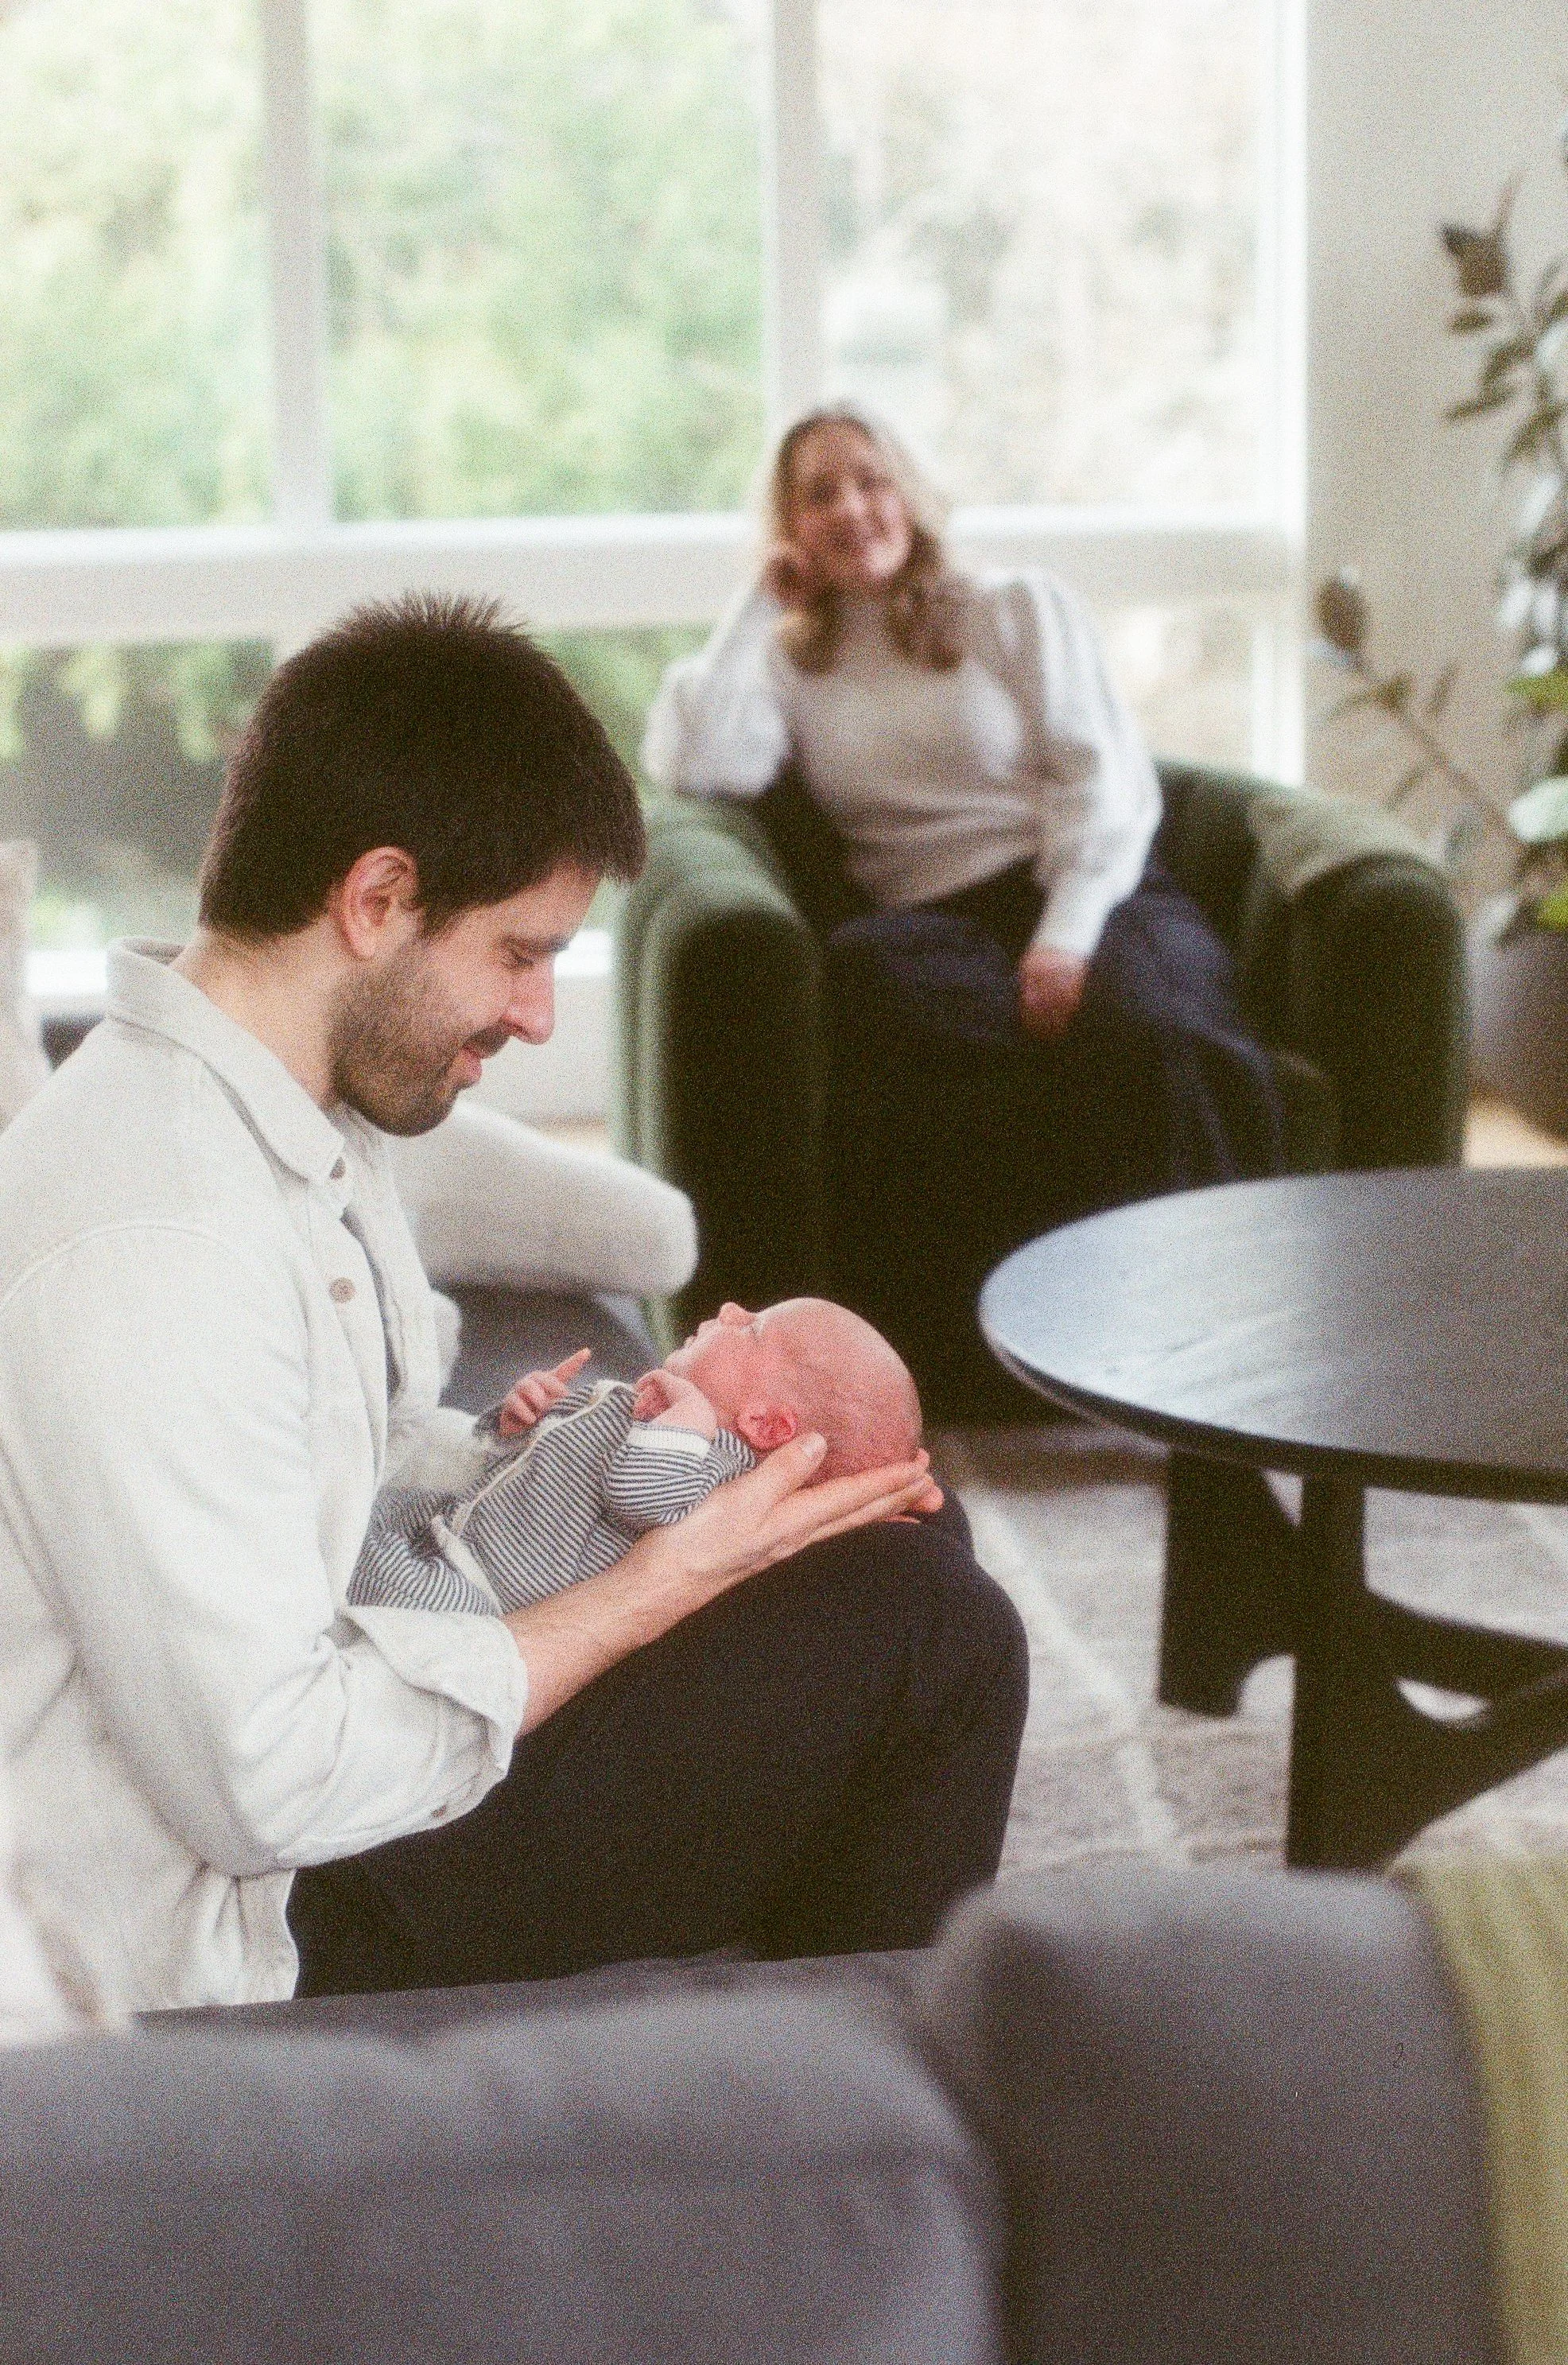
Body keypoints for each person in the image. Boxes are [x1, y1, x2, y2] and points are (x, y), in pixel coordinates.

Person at [0, 592, 1027, 2013]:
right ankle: (838, 2129)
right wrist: (649, 1584)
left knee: (884, 1516)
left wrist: (499, 1450)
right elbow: (268, 1780)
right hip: (250, 1926)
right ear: (377, 900)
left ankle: (788, 2052)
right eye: (519, 951)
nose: (540, 1016)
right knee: (940, 1638)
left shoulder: (287, 1118)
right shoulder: (158, 1237)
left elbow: (309, 1460)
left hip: (312, 1784)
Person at [642, 404, 1285, 1413]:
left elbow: (1105, 783)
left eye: (872, 479)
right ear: (788, 526)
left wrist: (1064, 939)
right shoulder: (788, 660)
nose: (853, 508)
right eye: (820, 494)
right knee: (864, 986)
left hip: (1084, 888)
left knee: (1165, 1045)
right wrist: (755, 610)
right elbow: (697, 761)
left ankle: (1222, 1364)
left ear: (911, 491)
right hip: (927, 929)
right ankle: (1045, 1351)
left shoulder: (1014, 606)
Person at [350, 1298, 923, 1617]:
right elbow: (534, 1460)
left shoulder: (714, 1470)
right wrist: (517, 1418)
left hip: (479, 1598)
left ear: (764, 1425)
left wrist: (690, 1422)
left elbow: (638, 1494)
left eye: (750, 1331)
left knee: (357, 1558)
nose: (728, 1310)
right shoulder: (656, 1408)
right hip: (452, 1528)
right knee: (365, 1506)